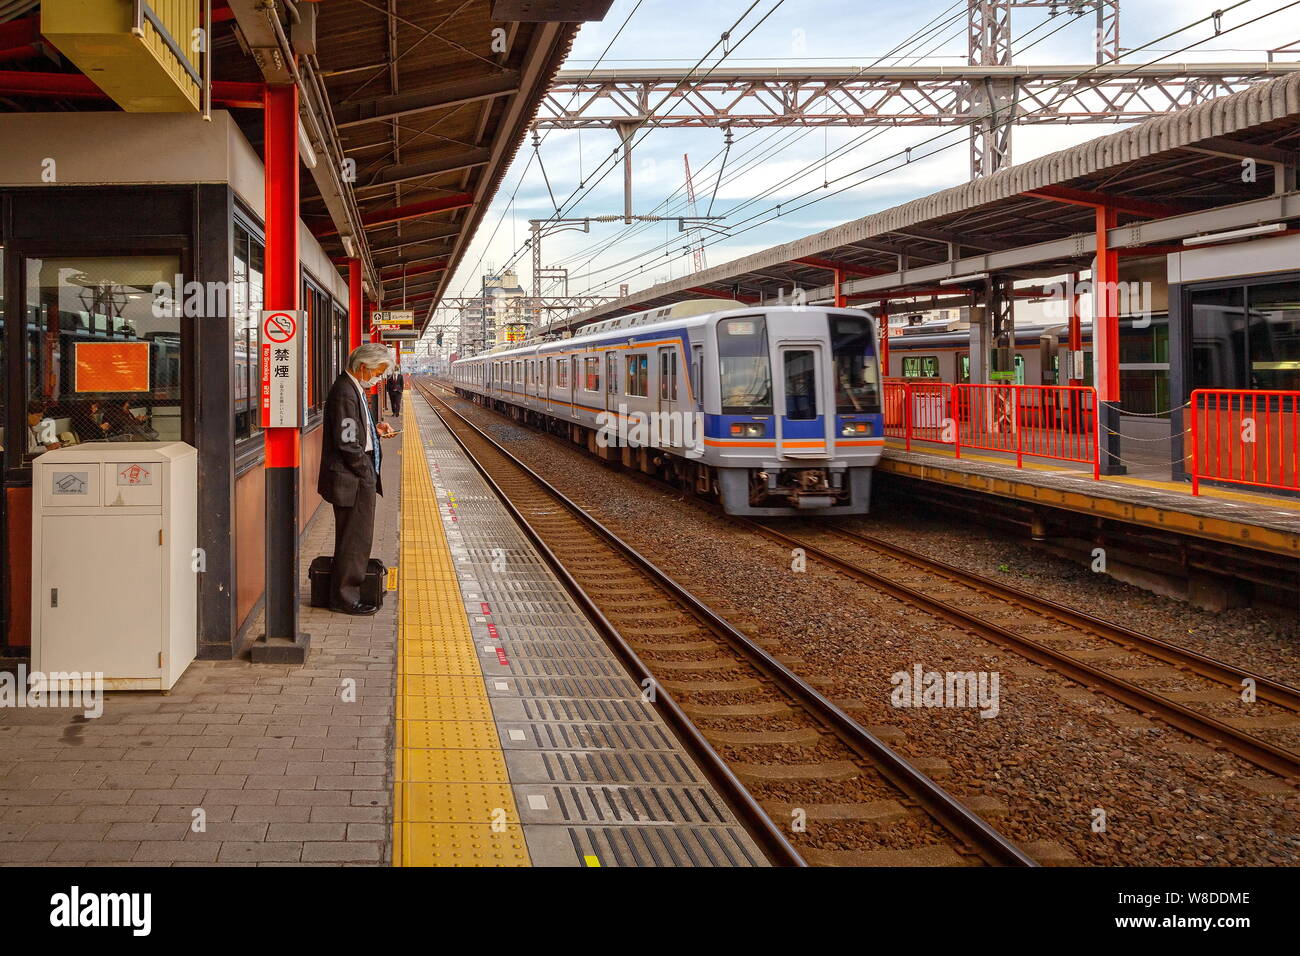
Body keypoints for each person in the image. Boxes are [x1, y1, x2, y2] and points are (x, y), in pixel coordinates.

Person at [318, 343, 397, 615]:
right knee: (354, 539)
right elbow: (347, 441)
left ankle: (352, 587)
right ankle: (345, 597)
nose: (379, 377)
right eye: (378, 371)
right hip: (352, 479)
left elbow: (354, 427)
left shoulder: (353, 389)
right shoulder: (345, 392)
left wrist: (374, 429)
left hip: (356, 477)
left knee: (357, 537)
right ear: (364, 366)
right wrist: (365, 471)